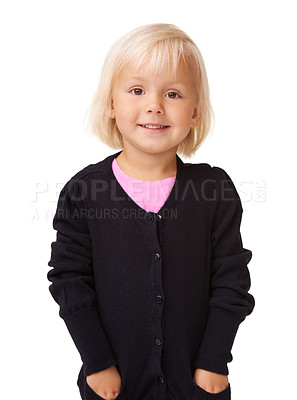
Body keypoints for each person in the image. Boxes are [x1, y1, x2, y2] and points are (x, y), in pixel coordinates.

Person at [47, 23, 255, 400]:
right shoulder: (84, 192)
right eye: (137, 90)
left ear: (194, 113)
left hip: (196, 382)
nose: (155, 105)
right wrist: (96, 363)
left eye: (173, 93)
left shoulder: (213, 190)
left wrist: (213, 360)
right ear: (112, 104)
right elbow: (69, 280)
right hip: (114, 384)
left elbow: (231, 280)